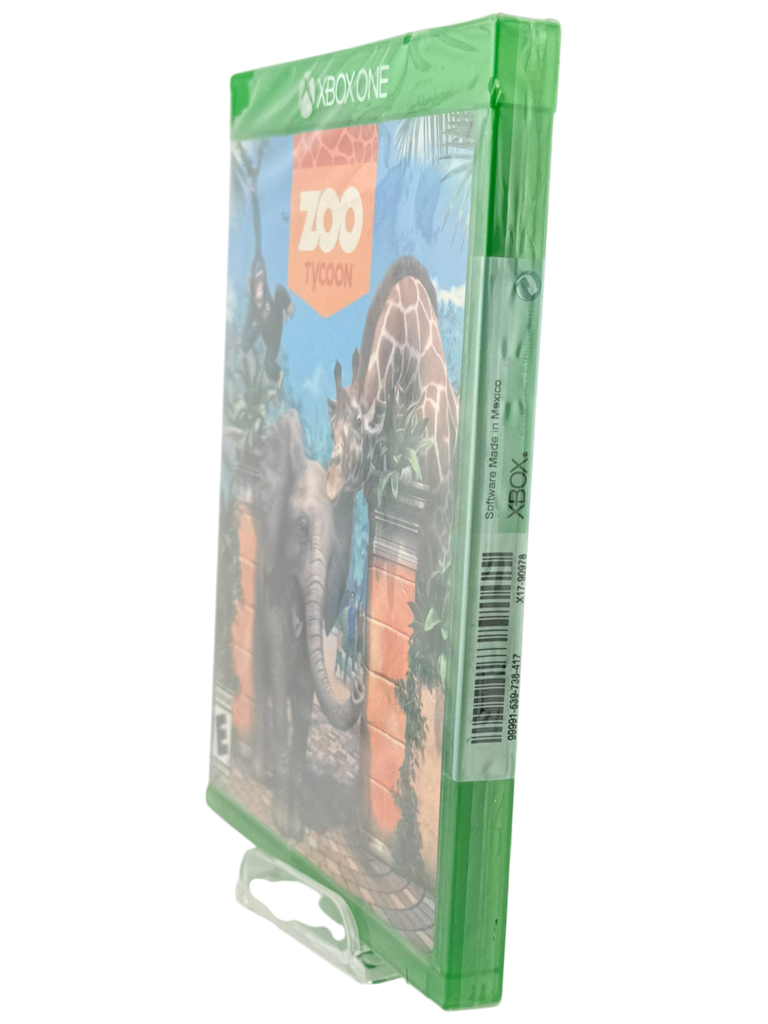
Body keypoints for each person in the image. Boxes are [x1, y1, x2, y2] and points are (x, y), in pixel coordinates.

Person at [344, 592, 356, 684]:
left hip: (353, 636)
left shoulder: (355, 610)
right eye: (351, 597)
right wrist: (347, 632)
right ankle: (344, 676)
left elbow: (356, 621)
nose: (351, 599)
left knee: (353, 657)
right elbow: (347, 622)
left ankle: (353, 678)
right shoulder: (349, 610)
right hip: (349, 635)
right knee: (347, 655)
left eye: (353, 597)